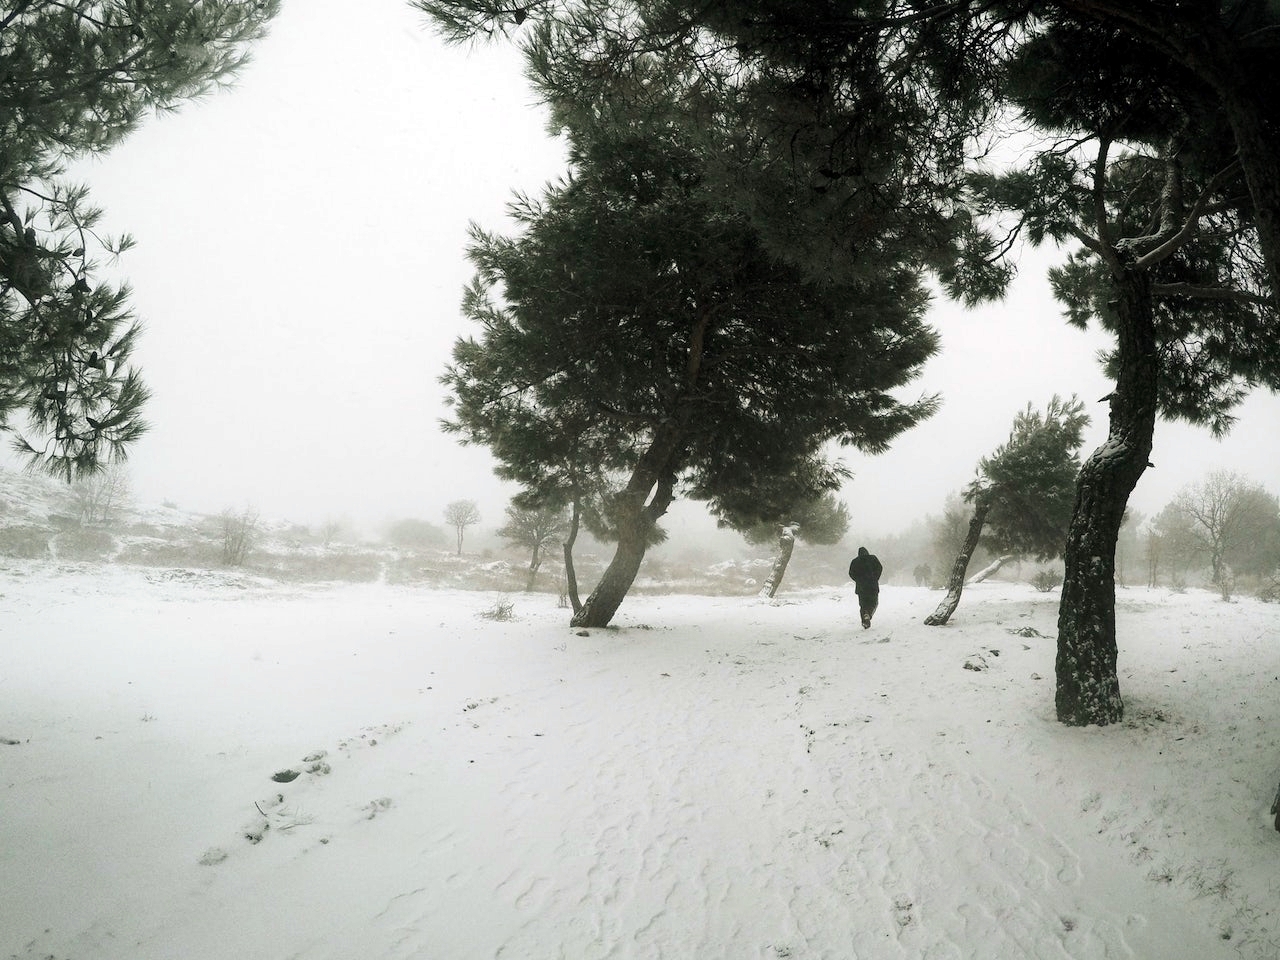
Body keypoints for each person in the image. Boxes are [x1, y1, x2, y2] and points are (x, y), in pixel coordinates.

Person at [848, 546, 883, 629]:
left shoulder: (855, 561)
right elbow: (880, 568)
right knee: (874, 603)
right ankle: (869, 614)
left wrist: (858, 580)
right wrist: (875, 577)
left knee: (863, 605)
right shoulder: (873, 558)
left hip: (861, 587)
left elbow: (851, 573)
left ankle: (865, 619)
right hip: (872, 586)